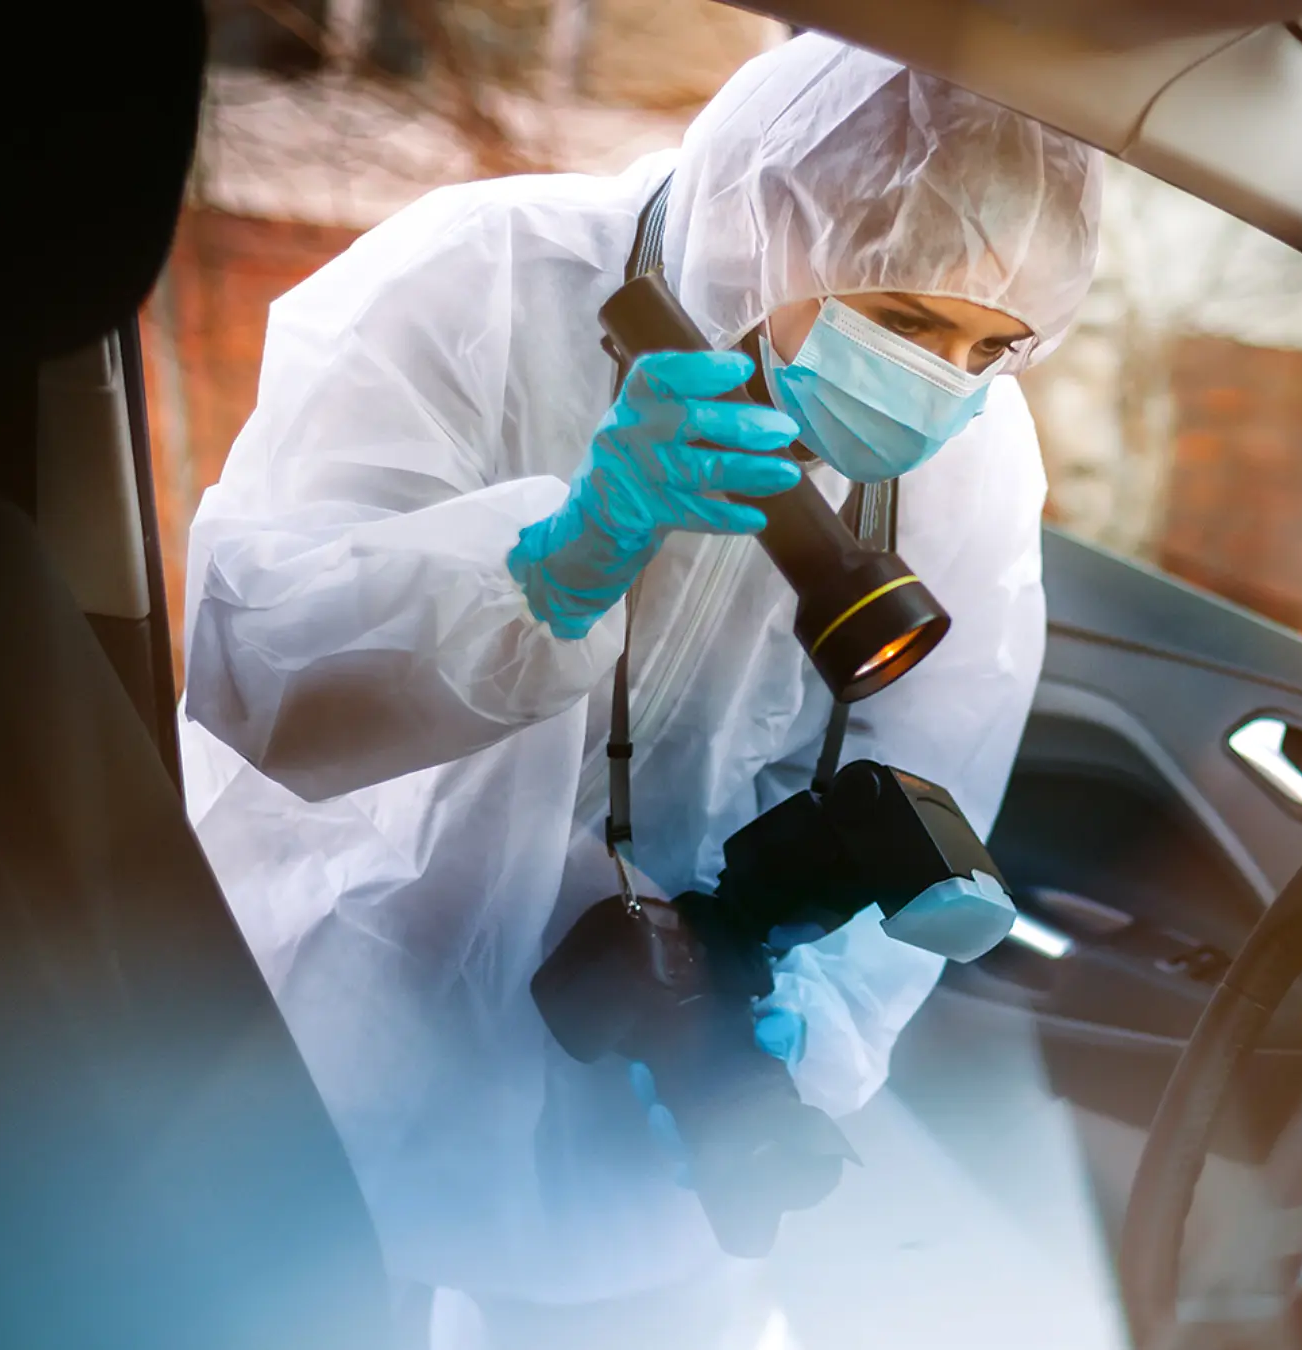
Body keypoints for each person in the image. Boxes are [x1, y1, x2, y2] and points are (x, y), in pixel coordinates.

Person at [178, 31, 1102, 1348]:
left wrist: (799, 1027)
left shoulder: (972, 449)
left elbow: (932, 765)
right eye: (901, 317)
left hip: (641, 1083)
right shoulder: (476, 282)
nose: (940, 381)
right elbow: (257, 673)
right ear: (775, 229)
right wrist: (557, 561)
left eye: (991, 341)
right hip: (352, 1002)